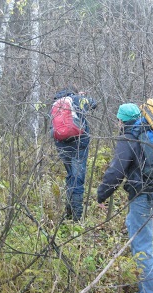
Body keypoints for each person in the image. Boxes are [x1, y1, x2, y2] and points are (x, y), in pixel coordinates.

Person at [97, 103, 153, 293]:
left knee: (142, 246)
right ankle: (149, 287)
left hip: (144, 195)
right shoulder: (152, 131)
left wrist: (101, 195)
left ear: (121, 120)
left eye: (118, 119)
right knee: (138, 229)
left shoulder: (129, 137)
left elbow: (116, 172)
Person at [52, 86, 97, 221]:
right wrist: (82, 97)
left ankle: (68, 212)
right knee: (77, 179)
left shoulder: (55, 104)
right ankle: (76, 219)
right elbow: (94, 103)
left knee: (71, 175)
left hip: (61, 144)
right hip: (79, 144)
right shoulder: (77, 99)